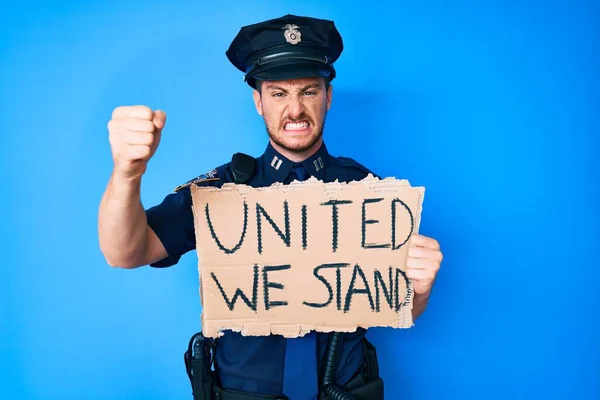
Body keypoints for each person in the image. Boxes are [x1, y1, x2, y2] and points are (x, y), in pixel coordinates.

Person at [98, 14, 443, 400]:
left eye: (309, 91)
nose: (295, 109)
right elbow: (124, 252)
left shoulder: (367, 190)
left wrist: (420, 290)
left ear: (328, 96)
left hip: (343, 390)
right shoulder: (220, 189)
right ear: (258, 101)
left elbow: (401, 308)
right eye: (278, 93)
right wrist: (127, 173)